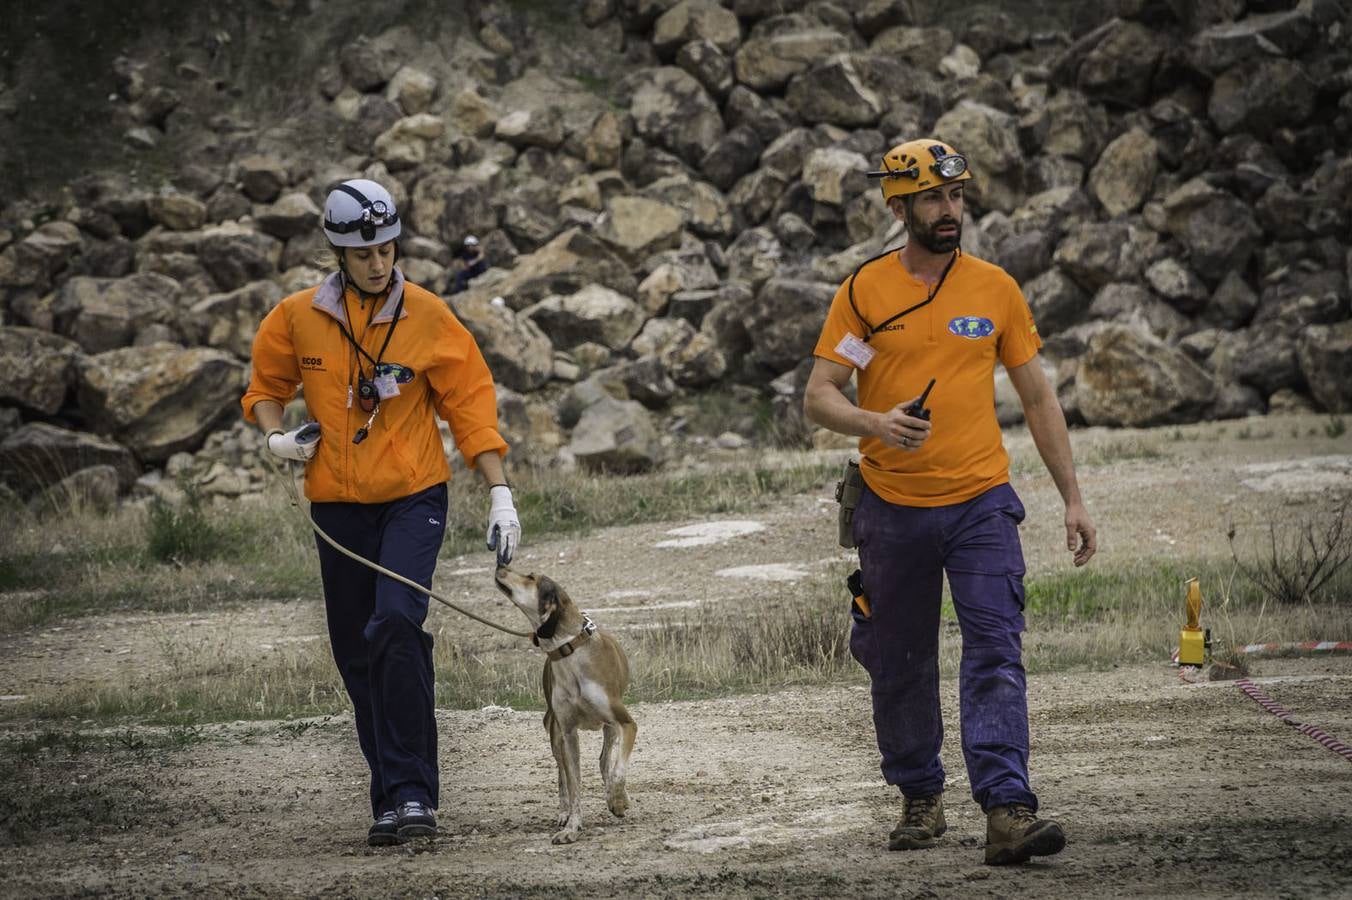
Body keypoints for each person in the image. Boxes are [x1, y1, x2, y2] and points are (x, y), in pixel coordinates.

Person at [803, 139, 1097, 866]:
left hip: (980, 504)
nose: (950, 210)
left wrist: (1073, 499)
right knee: (899, 660)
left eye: (957, 196)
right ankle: (920, 797)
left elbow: (1036, 396)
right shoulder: (863, 292)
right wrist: (876, 422)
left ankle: (1008, 809)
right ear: (897, 205)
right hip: (889, 506)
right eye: (934, 198)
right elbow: (818, 396)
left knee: (995, 649)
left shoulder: (995, 289)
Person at [242, 178, 522, 847]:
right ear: (339, 252)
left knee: (396, 622)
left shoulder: (428, 315)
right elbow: (264, 388)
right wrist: (276, 437)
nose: (378, 262)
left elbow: (471, 404)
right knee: (357, 653)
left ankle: (414, 794)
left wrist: (500, 492)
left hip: (412, 498)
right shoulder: (295, 317)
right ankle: (389, 798)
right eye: (364, 252)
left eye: (387, 248)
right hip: (336, 510)